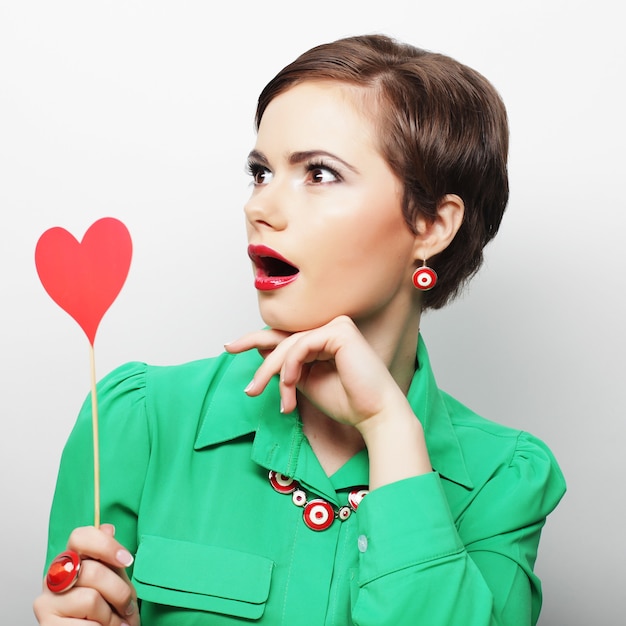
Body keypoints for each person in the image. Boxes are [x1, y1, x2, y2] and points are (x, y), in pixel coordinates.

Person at [34, 34, 565, 626]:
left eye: (319, 173)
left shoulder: (504, 478)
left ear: (431, 224)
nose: (260, 208)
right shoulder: (140, 420)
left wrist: (389, 429)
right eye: (261, 172)